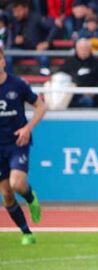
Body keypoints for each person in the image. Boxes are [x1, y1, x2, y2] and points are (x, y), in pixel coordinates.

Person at [0, 45, 45, 245]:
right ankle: (26, 232)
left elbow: (41, 106)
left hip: (17, 143)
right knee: (7, 195)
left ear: (3, 62)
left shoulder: (17, 85)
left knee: (16, 183)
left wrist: (28, 128)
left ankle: (30, 197)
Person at [61, 38, 98, 108]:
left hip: (92, 97)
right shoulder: (68, 63)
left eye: (85, 49)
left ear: (90, 50)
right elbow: (61, 76)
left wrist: (93, 92)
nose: (83, 51)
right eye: (81, 49)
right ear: (76, 49)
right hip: (71, 95)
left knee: (87, 101)